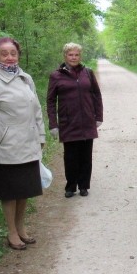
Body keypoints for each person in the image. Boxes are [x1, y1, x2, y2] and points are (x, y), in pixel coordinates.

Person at [0, 37, 45, 250]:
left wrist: (41, 136)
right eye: (4, 53)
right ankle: (12, 232)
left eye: (13, 53)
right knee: (9, 192)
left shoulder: (26, 78)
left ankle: (21, 228)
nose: (9, 57)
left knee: (24, 190)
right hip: (5, 147)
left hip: (28, 144)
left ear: (18, 55)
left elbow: (37, 110)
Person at [47, 42, 104, 198]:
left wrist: (98, 116)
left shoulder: (88, 72)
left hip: (87, 121)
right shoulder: (56, 75)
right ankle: (71, 186)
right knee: (71, 156)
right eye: (70, 54)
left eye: (76, 54)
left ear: (80, 56)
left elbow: (96, 95)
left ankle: (84, 185)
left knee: (86, 156)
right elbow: (51, 101)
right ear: (65, 56)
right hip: (68, 122)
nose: (74, 57)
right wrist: (53, 124)